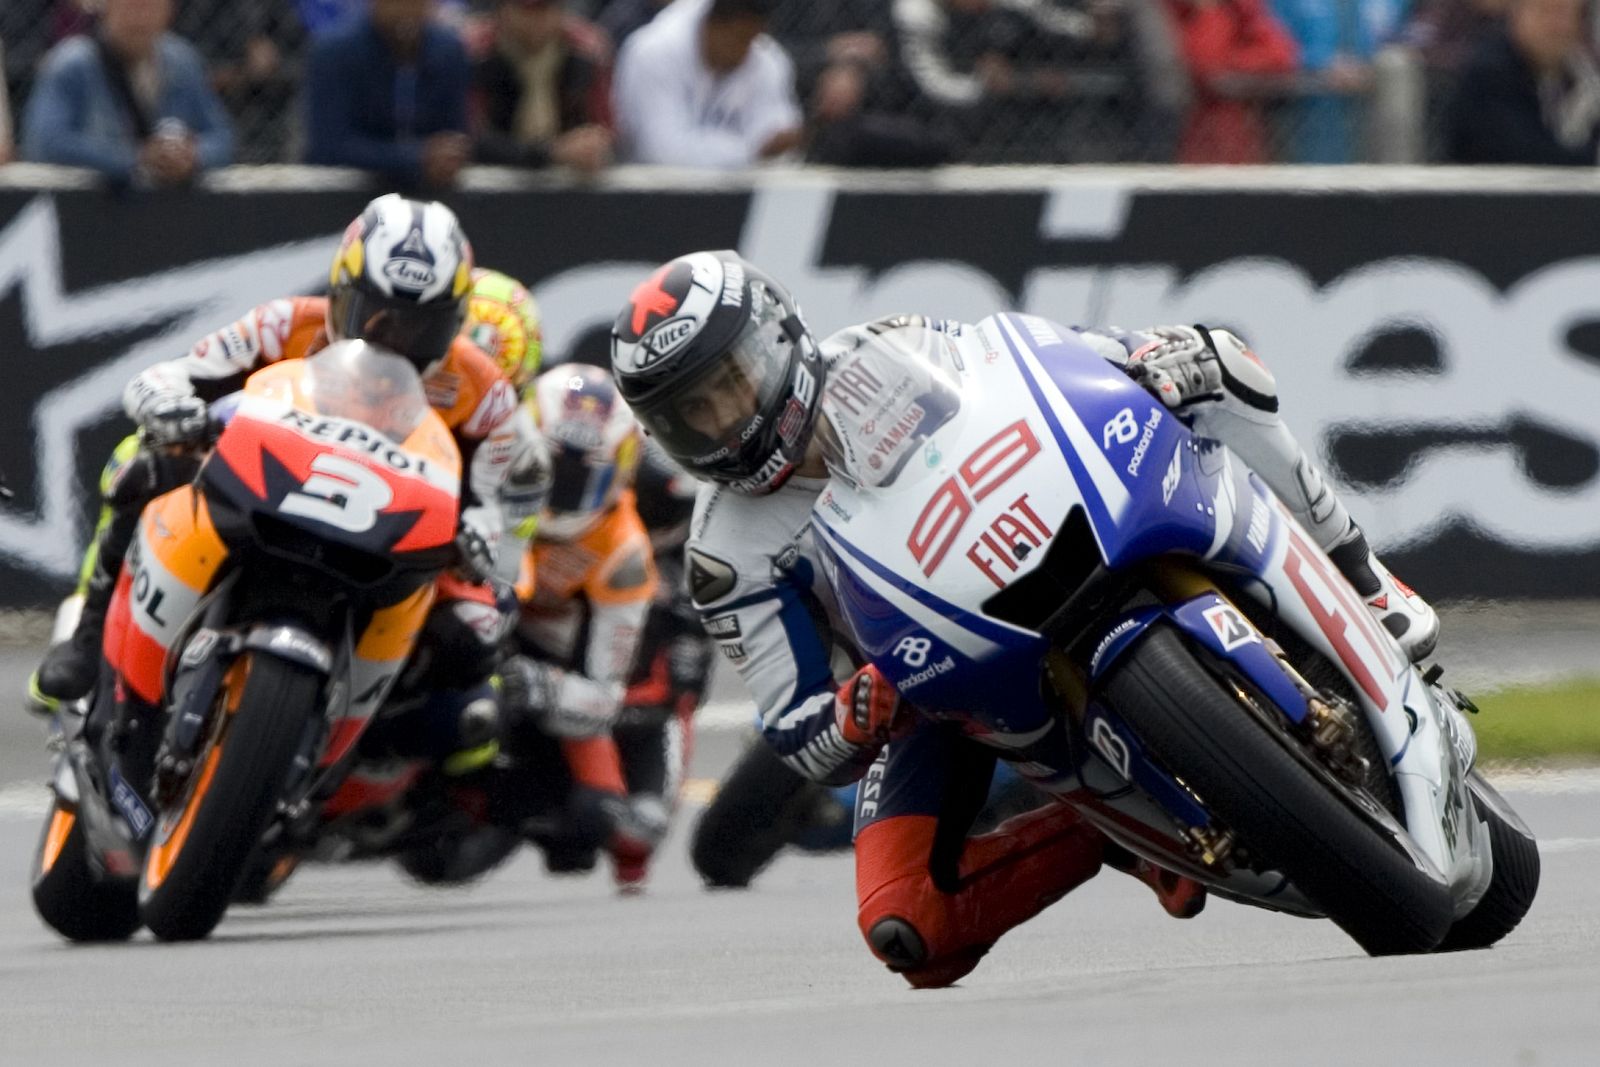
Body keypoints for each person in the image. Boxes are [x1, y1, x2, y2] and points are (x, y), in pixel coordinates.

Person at [608, 250, 1441, 987]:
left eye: (731, 382)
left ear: (780, 337)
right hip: (933, 689)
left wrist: (1140, 358)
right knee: (908, 926)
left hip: (1051, 530)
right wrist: (861, 709)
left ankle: (1365, 581)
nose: (725, 419)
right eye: (693, 413)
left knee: (1220, 365)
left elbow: (1036, 363)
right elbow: (796, 727)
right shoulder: (725, 555)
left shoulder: (888, 350)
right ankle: (1123, 832)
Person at [30, 196, 522, 733]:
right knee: (140, 462)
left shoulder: (485, 392)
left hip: (395, 527)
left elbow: (493, 499)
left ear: (451, 324)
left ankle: (364, 754)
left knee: (475, 634)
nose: (393, 341)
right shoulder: (283, 323)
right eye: (375, 317)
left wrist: (479, 534)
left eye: (418, 329)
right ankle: (87, 634)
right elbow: (173, 375)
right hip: (268, 482)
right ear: (339, 293)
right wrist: (169, 406)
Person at [495, 364, 663, 891]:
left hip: (542, 662)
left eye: (579, 476)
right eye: (545, 467)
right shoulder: (479, 478)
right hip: (476, 623)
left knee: (606, 823)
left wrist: (539, 686)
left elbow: (603, 697)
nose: (556, 489)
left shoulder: (624, 552)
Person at [21, 0, 235, 187]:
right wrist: (135, 159)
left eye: (151, 6)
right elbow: (45, 142)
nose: (140, 17)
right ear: (107, 8)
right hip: (92, 212)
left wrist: (192, 157)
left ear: (169, 10)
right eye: (130, 5)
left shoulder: (182, 62)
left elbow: (223, 137)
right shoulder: (72, 64)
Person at [611, 0, 804, 167]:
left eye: (753, 38)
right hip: (646, 196)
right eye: (740, 38)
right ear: (713, 25)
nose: (746, 51)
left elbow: (778, 134)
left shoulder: (765, 56)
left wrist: (776, 140)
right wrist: (751, 151)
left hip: (738, 194)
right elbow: (662, 151)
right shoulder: (653, 51)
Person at [303, 0, 472, 187]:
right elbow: (329, 146)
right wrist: (415, 157)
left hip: (431, 190)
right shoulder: (333, 52)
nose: (405, 11)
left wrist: (448, 155)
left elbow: (455, 133)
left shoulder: (449, 51)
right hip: (343, 192)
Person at [1445, 0, 1600, 164]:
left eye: (1569, 15)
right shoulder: (1490, 73)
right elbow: (1524, 154)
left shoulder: (1580, 74)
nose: (1559, 26)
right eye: (1547, 12)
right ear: (1517, 13)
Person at [470, 0, 615, 174]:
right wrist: (550, 153)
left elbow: (604, 127)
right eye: (527, 11)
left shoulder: (585, 53)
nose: (538, 20)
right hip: (490, 177)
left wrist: (592, 144)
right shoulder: (477, 54)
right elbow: (471, 137)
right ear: (503, 12)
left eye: (546, 9)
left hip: (569, 183)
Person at [1271, 0, 1409, 163]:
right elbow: (1272, 43)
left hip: (1374, 120)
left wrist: (1376, 66)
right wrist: (1320, 61)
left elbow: (1411, 34)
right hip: (1307, 119)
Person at [1163, 0, 1300, 163]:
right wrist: (1208, 10)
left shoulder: (1238, 8)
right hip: (1185, 135)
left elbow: (1281, 54)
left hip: (1241, 136)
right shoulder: (1167, 10)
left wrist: (1232, 63)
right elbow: (1205, 64)